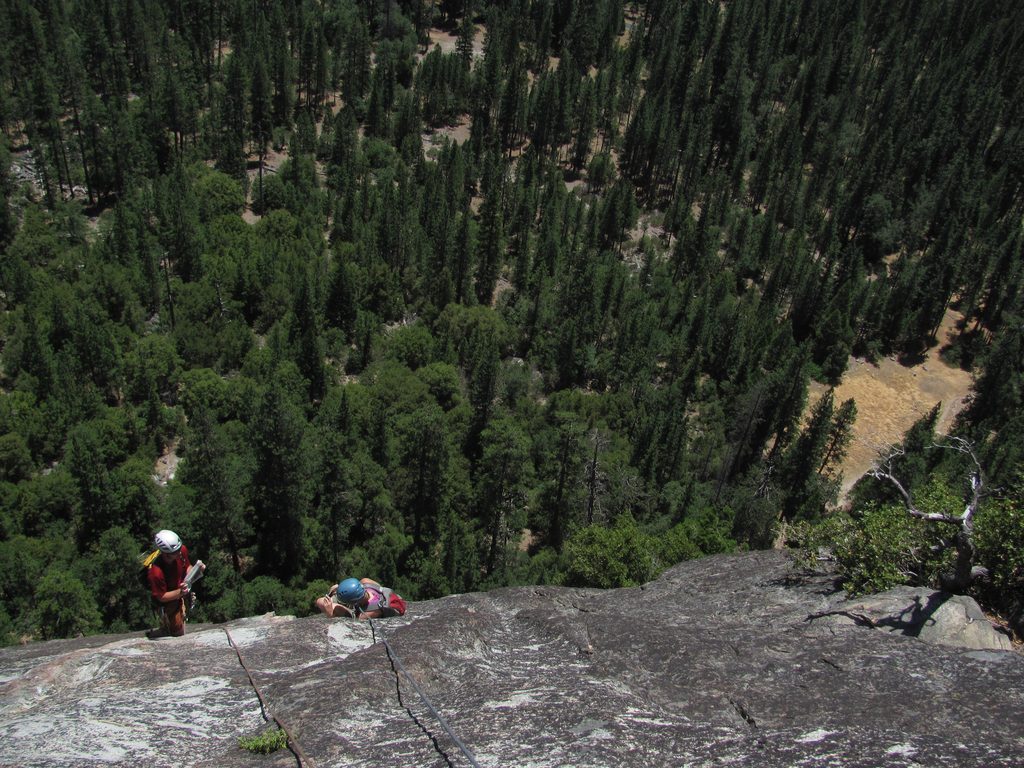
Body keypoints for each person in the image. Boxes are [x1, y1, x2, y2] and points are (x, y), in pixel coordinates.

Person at [146, 530, 205, 637]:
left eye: (178, 550)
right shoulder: (156, 572)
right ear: (165, 554)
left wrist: (196, 570)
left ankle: (168, 626)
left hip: (180, 590)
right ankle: (166, 626)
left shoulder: (181, 550)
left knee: (181, 626)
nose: (178, 554)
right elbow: (162, 596)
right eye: (175, 553)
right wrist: (180, 592)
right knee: (177, 632)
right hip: (169, 600)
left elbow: (187, 566)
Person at [314, 577, 405, 620]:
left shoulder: (372, 611)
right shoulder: (367, 584)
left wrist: (330, 614)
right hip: (362, 601)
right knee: (320, 601)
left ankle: (335, 599)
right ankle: (335, 593)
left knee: (323, 603)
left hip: (359, 612)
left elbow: (356, 623)